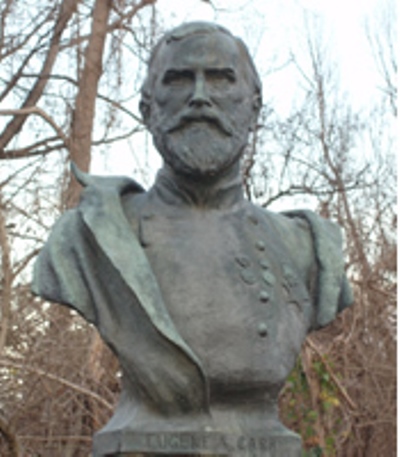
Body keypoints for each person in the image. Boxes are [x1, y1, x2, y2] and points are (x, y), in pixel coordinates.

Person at [32, 22, 352, 457]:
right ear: (147, 109)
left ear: (254, 108)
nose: (199, 96)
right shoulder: (87, 240)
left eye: (221, 79)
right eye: (179, 79)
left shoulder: (308, 247)